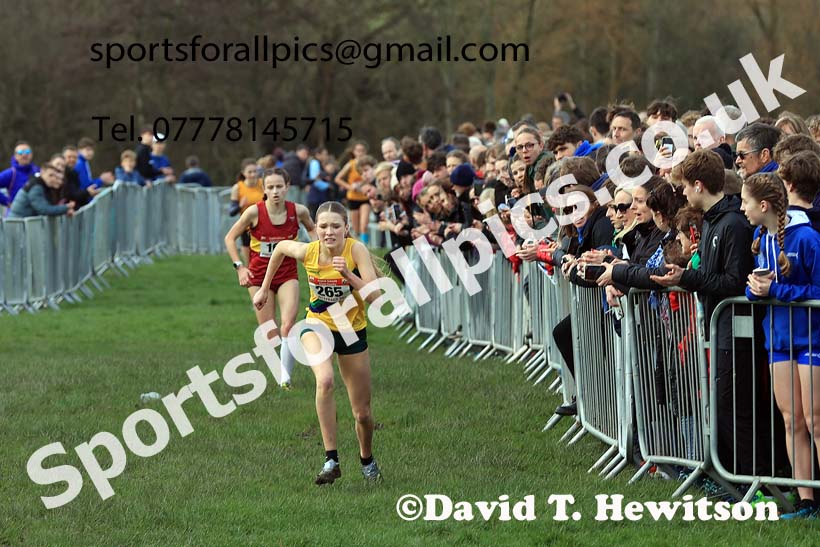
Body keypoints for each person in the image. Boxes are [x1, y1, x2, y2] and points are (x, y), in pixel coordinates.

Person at [252, 201, 383, 485]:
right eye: (323, 226)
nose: (328, 231)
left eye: (336, 226)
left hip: (351, 330)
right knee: (324, 381)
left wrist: (349, 275)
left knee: (362, 414)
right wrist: (264, 288)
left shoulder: (355, 250)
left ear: (346, 228)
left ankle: (367, 460)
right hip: (316, 325)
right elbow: (282, 249)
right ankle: (331, 459)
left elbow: (375, 297)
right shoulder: (309, 251)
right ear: (316, 229)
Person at [742, 172, 820, 519]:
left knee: (816, 420)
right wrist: (754, 288)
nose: (742, 208)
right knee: (791, 421)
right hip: (778, 340)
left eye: (745, 202)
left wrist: (775, 291)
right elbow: (759, 286)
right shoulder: (762, 237)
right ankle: (807, 501)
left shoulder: (807, 238)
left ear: (763, 205)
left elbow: (817, 291)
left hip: (811, 338)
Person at [225, 168, 316, 390]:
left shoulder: (299, 211)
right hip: (258, 276)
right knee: (270, 333)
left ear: (287, 187)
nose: (275, 191)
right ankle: (279, 370)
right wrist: (240, 268)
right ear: (263, 189)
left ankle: (285, 380)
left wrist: (318, 254)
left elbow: (313, 231)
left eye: (279, 186)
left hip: (286, 274)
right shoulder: (253, 213)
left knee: (288, 325)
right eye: (270, 187)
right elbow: (230, 238)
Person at [229, 159, 266, 265]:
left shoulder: (263, 184)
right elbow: (231, 212)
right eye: (250, 172)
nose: (253, 174)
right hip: (246, 227)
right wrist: (240, 205)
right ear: (243, 173)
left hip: (263, 226)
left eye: (255, 171)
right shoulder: (238, 188)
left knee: (264, 260)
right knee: (250, 264)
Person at [8, 163, 75, 218]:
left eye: (55, 176)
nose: (53, 178)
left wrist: (64, 211)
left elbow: (49, 206)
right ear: (42, 173)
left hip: (21, 225)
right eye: (50, 175)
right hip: (17, 226)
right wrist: (66, 207)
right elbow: (43, 209)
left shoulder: (43, 186)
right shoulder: (36, 187)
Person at [0, 141, 40, 208]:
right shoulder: (11, 173)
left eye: (27, 152)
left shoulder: (38, 171)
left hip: (36, 215)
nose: (24, 155)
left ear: (31, 154)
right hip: (16, 215)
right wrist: (7, 202)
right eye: (20, 152)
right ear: (15, 156)